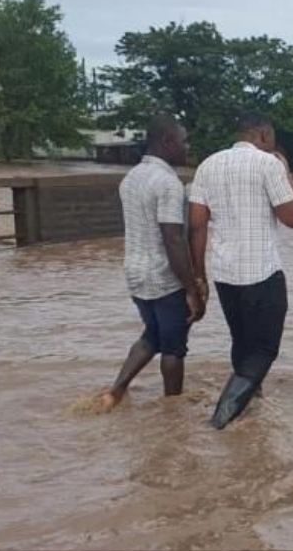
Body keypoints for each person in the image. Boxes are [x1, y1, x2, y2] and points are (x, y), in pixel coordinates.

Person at [189, 114, 293, 429]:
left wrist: (199, 278)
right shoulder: (269, 165)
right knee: (264, 350)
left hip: (225, 275)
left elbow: (197, 225)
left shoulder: (207, 166)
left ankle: (252, 405)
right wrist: (286, 172)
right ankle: (219, 421)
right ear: (264, 135)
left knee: (242, 343)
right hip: (262, 274)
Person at [99, 116, 205, 411]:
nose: (187, 147)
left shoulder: (130, 178)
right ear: (168, 142)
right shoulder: (168, 182)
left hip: (135, 273)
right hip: (163, 276)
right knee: (173, 347)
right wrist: (192, 289)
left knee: (153, 335)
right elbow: (173, 238)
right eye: (183, 141)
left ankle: (115, 392)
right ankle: (172, 412)